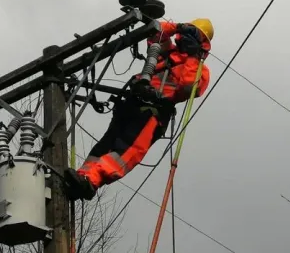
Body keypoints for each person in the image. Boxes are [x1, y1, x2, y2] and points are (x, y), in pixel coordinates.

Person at [64, 18, 214, 201]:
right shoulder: (166, 51)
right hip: (131, 103)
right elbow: (154, 32)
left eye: (195, 34)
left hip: (154, 112)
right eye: (189, 31)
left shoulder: (200, 69)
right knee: (106, 143)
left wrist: (192, 57)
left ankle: (91, 181)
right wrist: (177, 26)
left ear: (202, 44)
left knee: (126, 150)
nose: (188, 36)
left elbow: (189, 88)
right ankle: (83, 177)